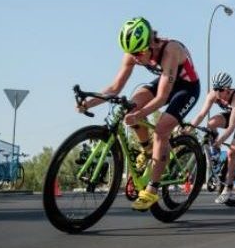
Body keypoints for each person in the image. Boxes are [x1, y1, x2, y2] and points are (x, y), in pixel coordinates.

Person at [77, 17, 200, 211]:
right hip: (165, 82)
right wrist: (89, 103)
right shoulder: (134, 52)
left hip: (186, 88)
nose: (134, 57)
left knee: (161, 130)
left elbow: (161, 97)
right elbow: (115, 88)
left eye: (138, 53)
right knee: (131, 106)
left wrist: (140, 114)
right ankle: (148, 148)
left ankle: (152, 189)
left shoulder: (171, 50)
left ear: (151, 43)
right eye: (130, 53)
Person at [188, 72, 235, 204]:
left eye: (221, 90)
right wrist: (189, 128)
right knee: (211, 123)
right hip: (230, 115)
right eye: (215, 89)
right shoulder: (213, 94)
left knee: (231, 152)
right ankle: (216, 156)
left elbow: (232, 126)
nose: (217, 92)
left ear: (228, 89)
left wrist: (221, 140)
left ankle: (228, 187)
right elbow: (202, 114)